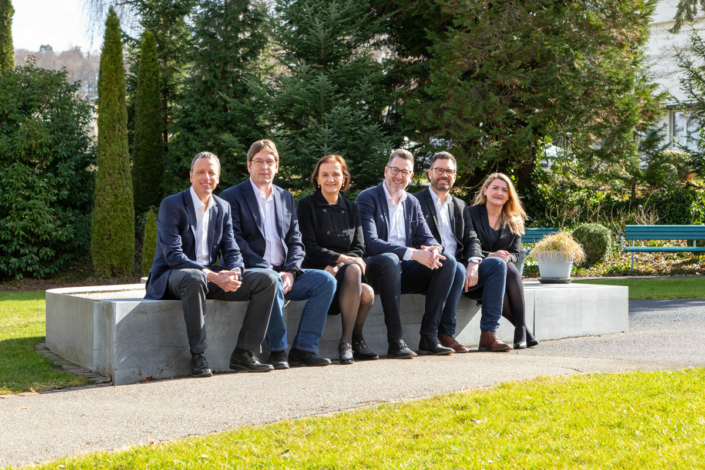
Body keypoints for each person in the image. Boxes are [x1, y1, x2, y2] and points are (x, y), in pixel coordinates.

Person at [145, 151, 280, 376]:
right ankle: (198, 356)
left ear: (218, 178)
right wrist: (213, 275)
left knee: (267, 280)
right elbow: (174, 257)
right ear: (190, 176)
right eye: (200, 172)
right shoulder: (172, 205)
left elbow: (232, 249)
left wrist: (235, 272)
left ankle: (243, 353)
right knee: (195, 277)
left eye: (211, 173)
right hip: (173, 276)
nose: (206, 177)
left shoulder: (223, 207)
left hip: (209, 277)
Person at [219, 140, 336, 369]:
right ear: (249, 166)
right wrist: (269, 268)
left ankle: (304, 350)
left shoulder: (285, 197)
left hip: (285, 273)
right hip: (253, 273)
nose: (264, 166)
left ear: (277, 166)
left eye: (270, 162)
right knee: (270, 279)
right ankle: (278, 351)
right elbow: (234, 240)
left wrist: (291, 271)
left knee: (326, 281)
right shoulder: (231, 196)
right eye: (259, 161)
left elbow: (296, 241)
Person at [355, 149, 457, 358]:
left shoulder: (411, 202)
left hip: (403, 271)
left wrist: (433, 250)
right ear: (386, 170)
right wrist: (412, 254)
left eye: (405, 172)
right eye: (395, 170)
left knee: (447, 262)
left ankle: (429, 337)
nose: (399, 176)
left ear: (411, 176)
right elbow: (371, 244)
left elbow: (428, 239)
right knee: (391, 259)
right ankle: (395, 340)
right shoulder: (367, 198)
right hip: (374, 269)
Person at [414, 152, 511, 352]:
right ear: (430, 173)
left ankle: (488, 334)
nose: (444, 175)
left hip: (460, 265)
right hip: (430, 264)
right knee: (455, 267)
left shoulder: (459, 205)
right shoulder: (415, 201)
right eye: (439, 170)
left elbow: (471, 238)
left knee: (497, 265)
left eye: (449, 171)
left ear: (455, 176)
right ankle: (446, 333)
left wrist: (474, 263)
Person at [296, 155, 379, 364]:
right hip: (318, 271)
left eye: (336, 174)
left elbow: (359, 246)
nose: (330, 179)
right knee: (356, 274)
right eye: (325, 174)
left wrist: (340, 262)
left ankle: (349, 340)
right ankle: (350, 342)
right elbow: (308, 246)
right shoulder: (306, 205)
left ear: (344, 179)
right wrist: (340, 260)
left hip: (344, 272)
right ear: (317, 179)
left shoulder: (351, 208)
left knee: (367, 292)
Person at [466, 172, 538, 349]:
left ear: (508, 196)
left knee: (507, 265)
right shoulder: (470, 213)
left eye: (504, 190)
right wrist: (490, 255)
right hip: (475, 276)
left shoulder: (514, 220)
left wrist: (505, 256)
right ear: (485, 190)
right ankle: (522, 329)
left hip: (500, 278)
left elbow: (515, 253)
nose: (499, 193)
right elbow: (465, 246)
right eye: (495, 188)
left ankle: (521, 329)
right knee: (505, 267)